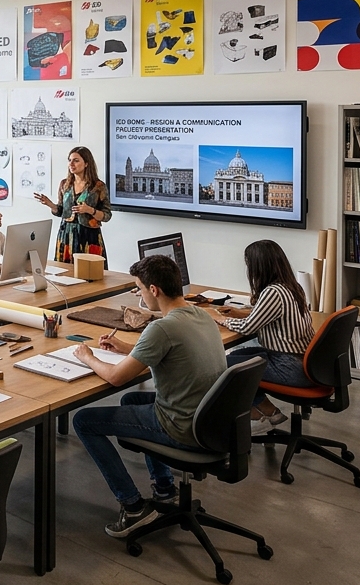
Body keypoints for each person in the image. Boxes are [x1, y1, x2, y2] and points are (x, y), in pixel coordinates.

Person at [71, 255, 227, 537]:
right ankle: (165, 489)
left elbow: (117, 377)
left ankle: (132, 506)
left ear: (153, 290)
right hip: (211, 422)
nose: (139, 295)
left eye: (139, 289)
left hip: (181, 427)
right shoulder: (200, 315)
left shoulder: (162, 327)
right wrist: (126, 349)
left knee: (83, 420)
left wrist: (88, 358)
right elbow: (170, 351)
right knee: (132, 401)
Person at [217, 240, 315, 434]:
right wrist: (242, 313)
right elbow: (268, 316)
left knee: (223, 366)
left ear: (258, 267)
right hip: (304, 362)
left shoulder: (273, 292)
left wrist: (220, 320)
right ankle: (269, 410)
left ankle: (255, 416)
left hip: (288, 365)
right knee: (236, 357)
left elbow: (247, 328)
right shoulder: (291, 286)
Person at [34, 146, 111, 264]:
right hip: (66, 235)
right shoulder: (65, 184)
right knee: (65, 274)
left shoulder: (98, 186)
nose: (71, 164)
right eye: (69, 160)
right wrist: (50, 205)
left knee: (90, 275)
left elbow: (107, 215)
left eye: (76, 160)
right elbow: (61, 211)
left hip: (89, 236)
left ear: (86, 163)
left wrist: (90, 210)